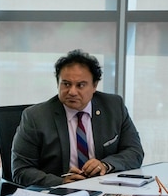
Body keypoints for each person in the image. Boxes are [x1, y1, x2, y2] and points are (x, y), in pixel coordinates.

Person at [11, 49, 144, 187]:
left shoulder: (114, 107)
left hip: (105, 189)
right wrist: (61, 183)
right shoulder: (35, 117)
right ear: (58, 83)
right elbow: (21, 170)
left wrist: (105, 165)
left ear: (94, 85)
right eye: (66, 84)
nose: (72, 92)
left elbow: (134, 152)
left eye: (80, 85)